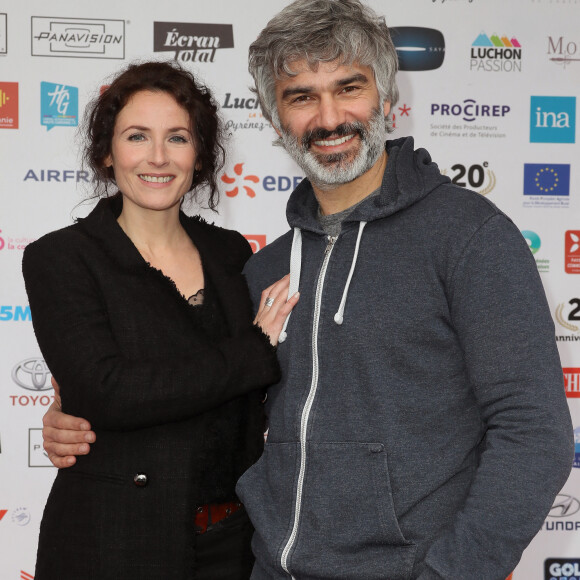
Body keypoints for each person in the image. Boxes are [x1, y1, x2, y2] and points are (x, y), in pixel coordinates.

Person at [42, 1, 574, 579]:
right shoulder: (265, 264)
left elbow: (534, 433)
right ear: (275, 120)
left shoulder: (468, 237)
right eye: (301, 97)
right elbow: (218, 398)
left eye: (349, 88)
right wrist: (74, 414)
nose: (328, 118)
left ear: (388, 99)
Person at [23, 60, 297, 580]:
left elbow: (256, 397)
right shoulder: (61, 258)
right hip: (110, 542)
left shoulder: (232, 253)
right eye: (136, 136)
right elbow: (107, 391)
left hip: (233, 543)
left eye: (177, 137)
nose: (157, 157)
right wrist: (251, 353)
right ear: (106, 152)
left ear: (199, 155)